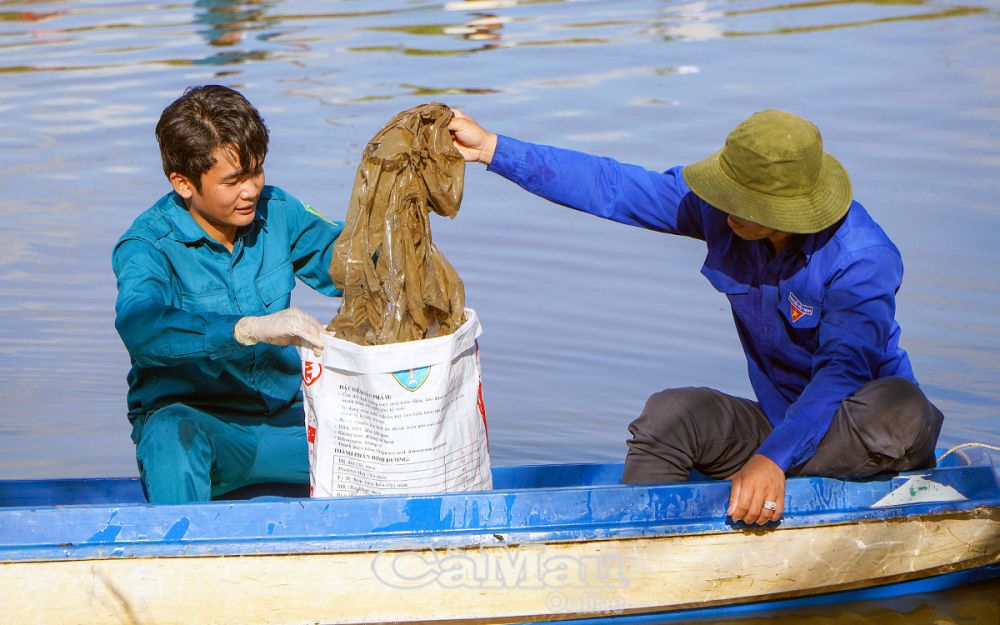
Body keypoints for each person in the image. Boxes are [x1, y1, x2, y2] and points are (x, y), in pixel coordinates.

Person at [448, 108, 944, 525]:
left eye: (743, 202)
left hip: (867, 434)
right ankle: (640, 541)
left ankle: (768, 483)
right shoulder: (723, 214)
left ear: (789, 210)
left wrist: (772, 459)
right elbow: (614, 187)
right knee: (668, 414)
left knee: (897, 403)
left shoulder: (862, 258)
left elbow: (842, 373)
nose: (726, 209)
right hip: (783, 422)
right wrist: (492, 147)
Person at [112, 85, 342, 503]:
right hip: (205, 430)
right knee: (169, 435)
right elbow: (141, 330)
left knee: (393, 438)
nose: (251, 190)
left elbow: (349, 263)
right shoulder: (146, 246)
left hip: (288, 423)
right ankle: (183, 560)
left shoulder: (278, 210)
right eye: (233, 181)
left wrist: (398, 227)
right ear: (183, 183)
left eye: (256, 172)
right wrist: (248, 329)